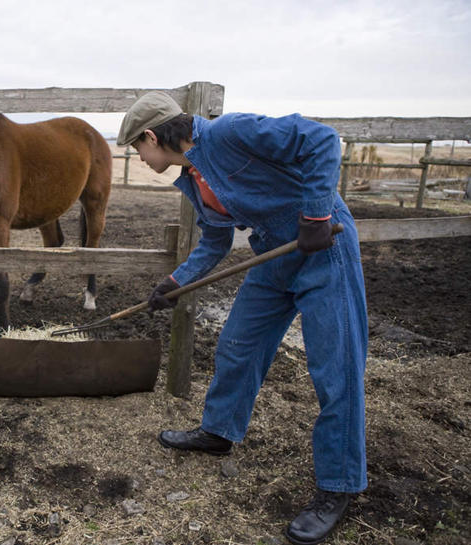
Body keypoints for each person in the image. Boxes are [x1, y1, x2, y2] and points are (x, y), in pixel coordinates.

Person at [117, 92, 368, 545]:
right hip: (274, 255)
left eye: (138, 148)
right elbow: (214, 243)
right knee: (238, 344)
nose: (140, 157)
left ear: (152, 136)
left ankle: (338, 486)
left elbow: (323, 141)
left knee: (336, 368)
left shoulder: (231, 132)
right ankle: (218, 431)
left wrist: (314, 214)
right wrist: (176, 281)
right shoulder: (194, 179)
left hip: (322, 247)